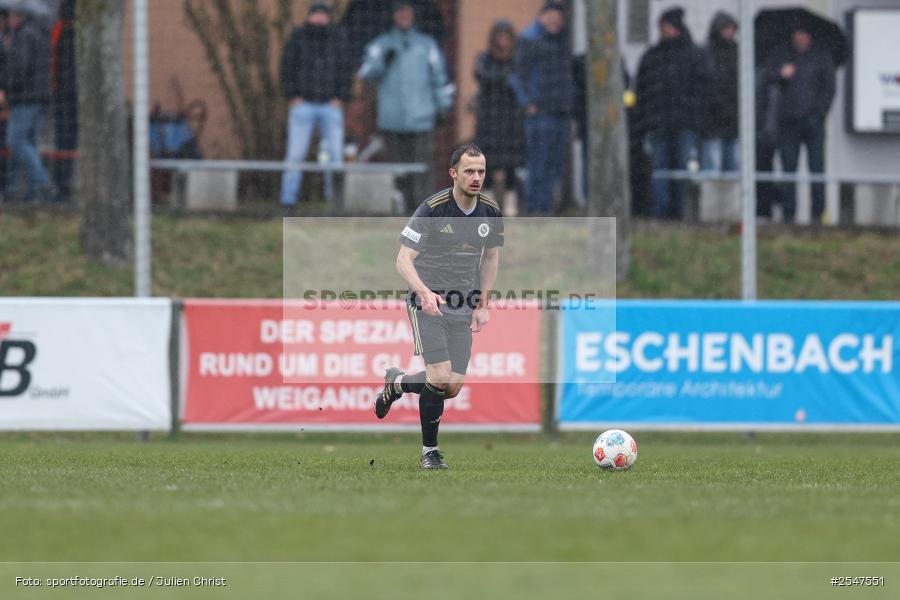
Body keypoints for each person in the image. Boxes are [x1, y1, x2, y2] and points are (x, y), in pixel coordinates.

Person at [374, 144, 503, 470]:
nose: (476, 178)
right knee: (440, 375)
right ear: (453, 173)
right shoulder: (432, 209)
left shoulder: (490, 211)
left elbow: (491, 257)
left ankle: (398, 383)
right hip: (426, 303)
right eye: (469, 171)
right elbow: (403, 259)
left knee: (452, 387)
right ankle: (429, 452)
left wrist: (482, 303)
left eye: (481, 171)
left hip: (462, 304)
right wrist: (424, 292)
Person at [358, 0, 454, 213]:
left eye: (407, 11)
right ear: (393, 15)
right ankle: (400, 214)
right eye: (399, 11)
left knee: (423, 172)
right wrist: (382, 61)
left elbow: (440, 79)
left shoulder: (427, 45)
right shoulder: (380, 45)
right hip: (392, 122)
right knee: (397, 173)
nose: (403, 15)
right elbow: (365, 73)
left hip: (421, 120)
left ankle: (425, 216)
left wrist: (443, 107)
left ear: (413, 15)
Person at [634, 7, 713, 219]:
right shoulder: (652, 56)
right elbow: (641, 91)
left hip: (685, 125)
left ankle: (680, 214)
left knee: (681, 172)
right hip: (658, 125)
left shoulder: (694, 55)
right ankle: (661, 214)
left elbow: (704, 91)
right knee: (660, 172)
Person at [279, 2, 353, 208]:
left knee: (335, 156)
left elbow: (345, 68)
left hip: (330, 105)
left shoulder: (338, 38)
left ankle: (335, 200)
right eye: (316, 15)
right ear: (310, 16)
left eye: (323, 15)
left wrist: (341, 96)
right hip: (303, 105)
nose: (320, 19)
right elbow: (287, 66)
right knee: (295, 154)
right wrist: (292, 95)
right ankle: (288, 200)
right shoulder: (298, 37)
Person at [509, 0, 575, 216]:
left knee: (554, 164)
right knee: (539, 162)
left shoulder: (563, 40)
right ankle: (535, 208)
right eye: (552, 17)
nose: (556, 22)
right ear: (543, 16)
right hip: (540, 113)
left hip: (560, 111)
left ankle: (545, 207)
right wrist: (527, 103)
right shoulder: (529, 39)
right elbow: (517, 76)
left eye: (559, 18)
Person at [766, 24, 836, 224]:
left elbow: (829, 88)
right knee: (789, 170)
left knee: (817, 169)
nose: (799, 37)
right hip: (788, 123)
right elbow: (768, 77)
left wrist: (819, 113)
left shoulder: (822, 56)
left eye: (803, 33)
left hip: (813, 123)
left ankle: (817, 215)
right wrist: (782, 74)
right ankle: (789, 215)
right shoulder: (782, 54)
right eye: (796, 33)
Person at [0, 9, 52, 201]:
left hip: (25, 98)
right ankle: (33, 193)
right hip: (39, 98)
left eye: (11, 16)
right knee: (30, 143)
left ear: (19, 16)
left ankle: (44, 182)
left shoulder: (24, 35)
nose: (9, 20)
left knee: (15, 141)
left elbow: (20, 68)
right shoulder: (39, 32)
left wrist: (6, 90)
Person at [474, 20, 523, 217]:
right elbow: (482, 75)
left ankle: (511, 200)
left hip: (511, 118)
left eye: (506, 37)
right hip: (489, 118)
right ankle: (487, 202)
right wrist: (504, 78)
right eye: (499, 36)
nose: (503, 41)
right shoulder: (484, 59)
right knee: (487, 160)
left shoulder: (518, 60)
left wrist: (502, 78)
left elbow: (519, 81)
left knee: (511, 161)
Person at [701, 11, 738, 173]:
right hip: (711, 119)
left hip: (732, 119)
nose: (730, 33)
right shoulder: (706, 53)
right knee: (712, 168)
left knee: (732, 167)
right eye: (726, 29)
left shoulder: (738, 52)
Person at [51, 0, 77, 203]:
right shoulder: (62, 33)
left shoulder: (66, 35)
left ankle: (63, 188)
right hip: (64, 97)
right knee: (64, 142)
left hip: (66, 98)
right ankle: (61, 186)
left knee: (65, 141)